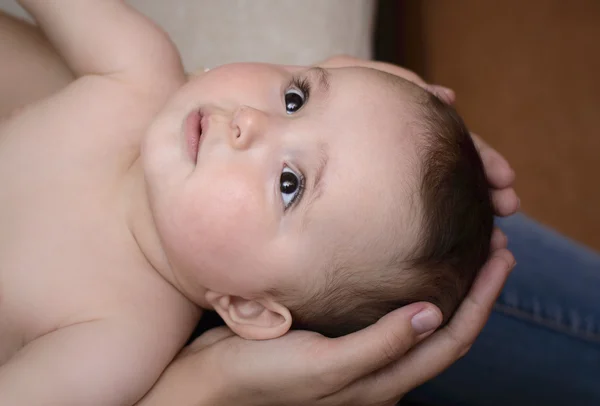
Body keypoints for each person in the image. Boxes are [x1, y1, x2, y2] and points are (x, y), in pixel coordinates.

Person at [0, 6, 521, 406]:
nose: (250, 120)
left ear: (249, 307)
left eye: (290, 184)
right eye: (295, 98)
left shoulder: (113, 343)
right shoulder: (136, 68)